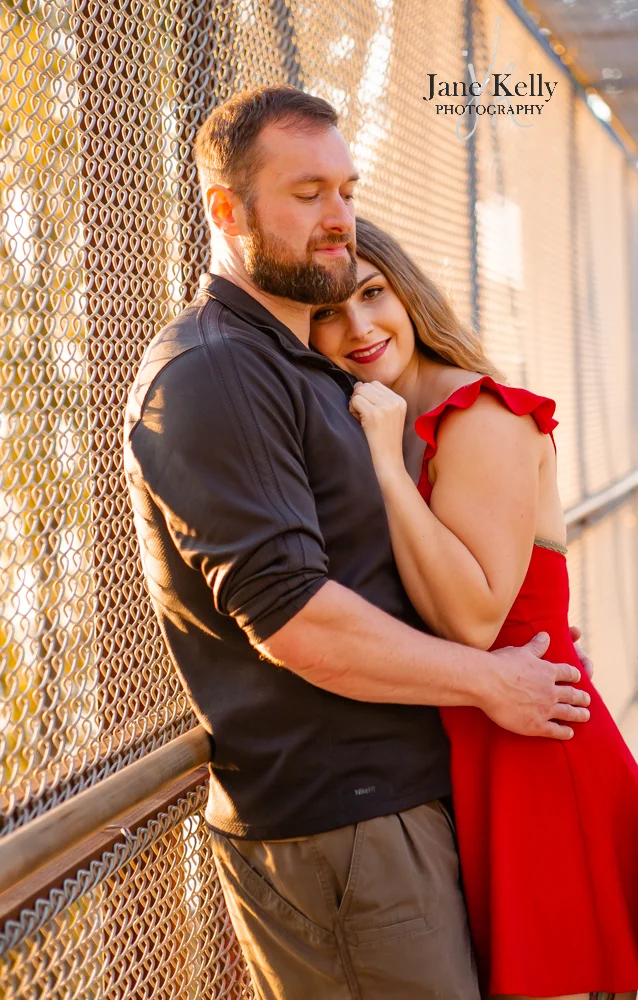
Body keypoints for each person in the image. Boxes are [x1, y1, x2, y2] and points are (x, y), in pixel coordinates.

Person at [124, 86, 592, 1000]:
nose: (339, 218)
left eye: (347, 188)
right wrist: (490, 681)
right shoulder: (215, 369)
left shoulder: (295, 362)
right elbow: (293, 618)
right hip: (340, 830)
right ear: (226, 210)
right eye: (307, 194)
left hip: (396, 811)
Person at [308, 215, 638, 1000]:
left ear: (408, 293)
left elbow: (475, 622)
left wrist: (389, 468)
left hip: (537, 754)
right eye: (326, 312)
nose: (358, 327)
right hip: (478, 748)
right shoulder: (383, 420)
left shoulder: (479, 414)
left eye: (373, 293)